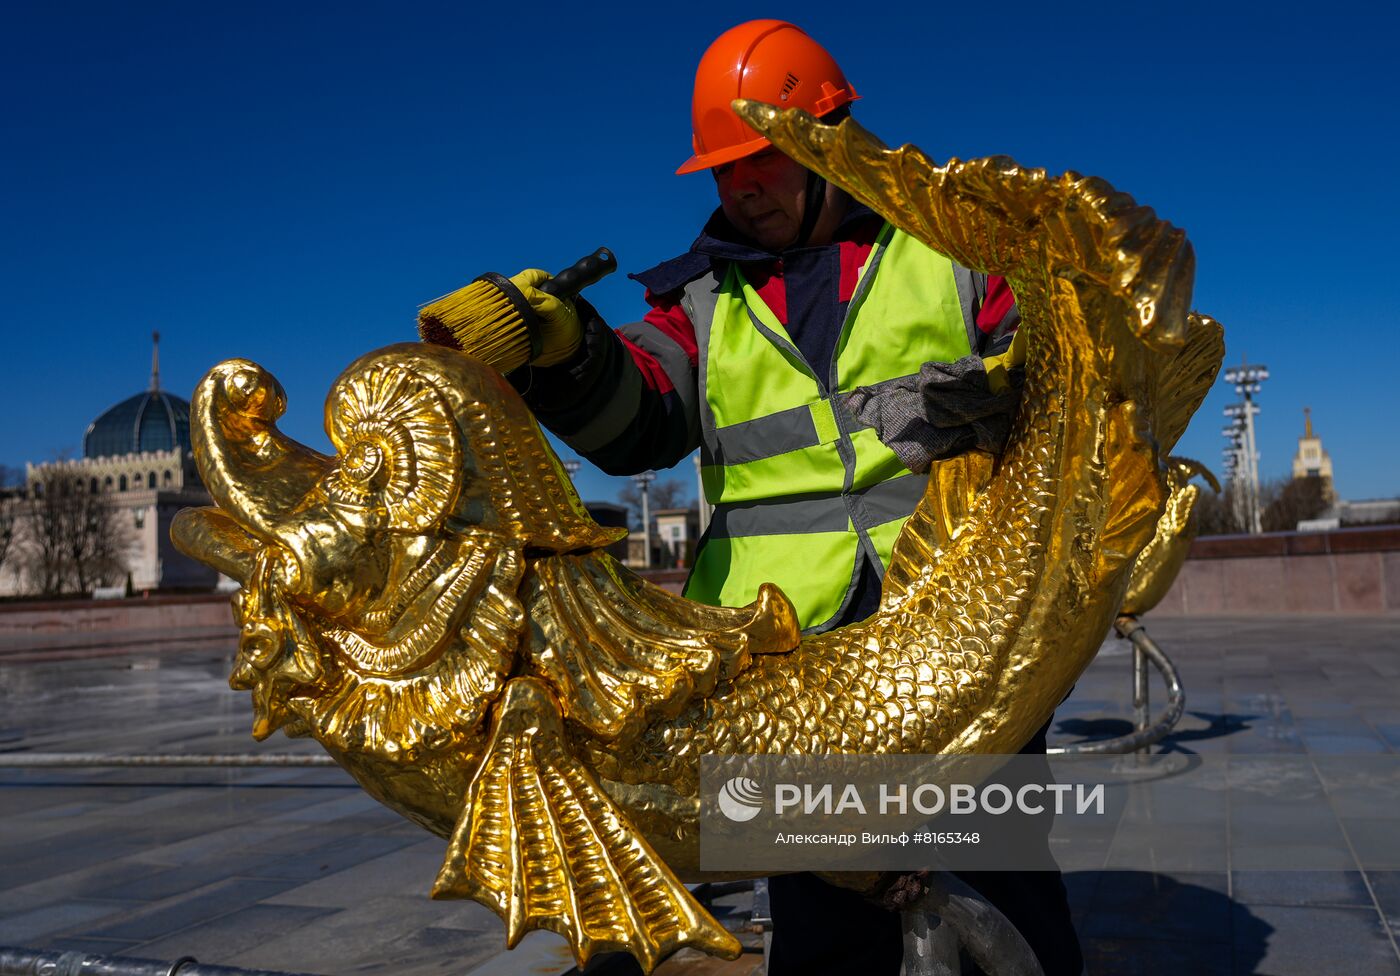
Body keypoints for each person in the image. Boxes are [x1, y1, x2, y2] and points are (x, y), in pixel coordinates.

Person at [504, 19, 1082, 976]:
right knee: (823, 919)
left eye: (761, 158)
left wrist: (1004, 391)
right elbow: (639, 423)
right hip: (782, 654)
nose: (741, 186)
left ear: (827, 142)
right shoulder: (700, 299)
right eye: (722, 169)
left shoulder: (955, 249)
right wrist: (569, 353)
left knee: (998, 874)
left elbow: (1056, 389)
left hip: (953, 630)